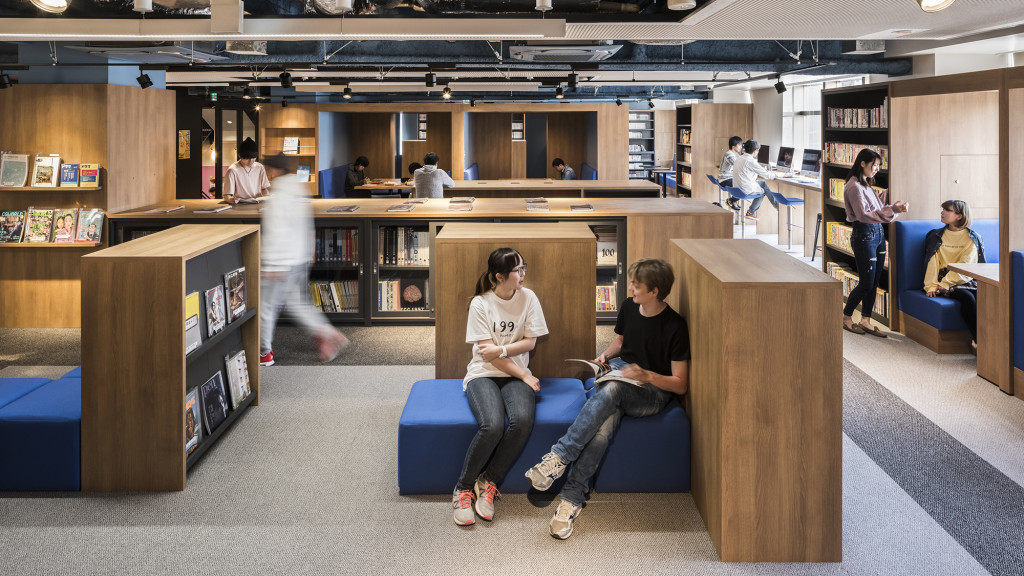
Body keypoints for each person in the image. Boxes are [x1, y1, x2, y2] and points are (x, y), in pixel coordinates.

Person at [525, 258, 689, 540]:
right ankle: (571, 499)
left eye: (637, 284)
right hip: (621, 374)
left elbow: (680, 384)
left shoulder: (675, 326)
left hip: (652, 392)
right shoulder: (628, 307)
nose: (631, 287)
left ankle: (559, 456)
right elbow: (622, 342)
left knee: (611, 390)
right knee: (603, 427)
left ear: (655, 291)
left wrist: (647, 375)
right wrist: (604, 357)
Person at [452, 248, 549, 526]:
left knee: (522, 422)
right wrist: (523, 374)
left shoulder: (528, 297)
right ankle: (463, 488)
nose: (523, 274)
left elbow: (530, 341)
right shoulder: (480, 304)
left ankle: (490, 480)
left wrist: (502, 350)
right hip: (483, 374)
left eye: (523, 267)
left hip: (514, 375)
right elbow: (486, 356)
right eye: (518, 270)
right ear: (499, 276)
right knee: (492, 425)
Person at [258, 153, 350, 367]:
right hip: (300, 258)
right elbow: (308, 224)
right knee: (299, 304)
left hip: (282, 261)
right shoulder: (299, 189)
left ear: (274, 171)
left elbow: (276, 232)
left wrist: (272, 265)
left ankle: (264, 353)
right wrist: (310, 252)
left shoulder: (279, 196)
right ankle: (328, 334)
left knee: (266, 307)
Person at [842, 148, 908, 337]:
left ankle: (865, 319)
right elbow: (863, 215)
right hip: (864, 234)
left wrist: (888, 198)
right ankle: (846, 317)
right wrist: (893, 208)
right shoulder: (854, 186)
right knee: (866, 283)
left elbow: (876, 207)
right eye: (875, 165)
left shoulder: (865, 184)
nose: (877, 169)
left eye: (879, 165)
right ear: (862, 163)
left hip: (878, 234)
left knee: (875, 281)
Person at [923, 199, 986, 350]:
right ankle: (979, 342)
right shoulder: (935, 236)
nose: (942, 212)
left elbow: (967, 265)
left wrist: (946, 283)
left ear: (959, 216)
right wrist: (932, 286)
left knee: (985, 297)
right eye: (943, 209)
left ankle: (993, 339)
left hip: (966, 278)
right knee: (967, 298)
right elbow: (932, 262)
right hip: (942, 280)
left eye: (947, 210)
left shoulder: (973, 237)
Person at [732, 139, 783, 220]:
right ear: (755, 150)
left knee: (762, 183)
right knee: (763, 191)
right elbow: (767, 176)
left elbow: (749, 170)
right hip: (745, 189)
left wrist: (761, 169)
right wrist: (784, 175)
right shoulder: (751, 161)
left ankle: (776, 205)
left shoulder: (739, 158)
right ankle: (751, 212)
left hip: (736, 189)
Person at [224, 137, 270, 205]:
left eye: (253, 157)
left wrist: (268, 198)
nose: (251, 161)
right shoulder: (232, 170)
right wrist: (230, 199)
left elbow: (264, 189)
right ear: (240, 156)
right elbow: (227, 195)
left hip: (257, 204)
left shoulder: (260, 167)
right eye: (247, 158)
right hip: (240, 205)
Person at [718, 136, 743, 210]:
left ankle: (733, 201)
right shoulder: (729, 155)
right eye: (739, 145)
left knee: (743, 184)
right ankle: (731, 201)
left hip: (729, 178)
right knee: (743, 186)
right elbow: (738, 165)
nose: (741, 147)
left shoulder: (736, 155)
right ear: (734, 145)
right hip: (724, 180)